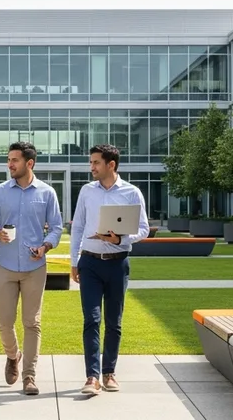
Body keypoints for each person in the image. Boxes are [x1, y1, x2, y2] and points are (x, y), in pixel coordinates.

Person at [0, 141, 64, 396]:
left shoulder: (47, 193)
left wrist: (46, 246)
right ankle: (13, 355)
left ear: (29, 163)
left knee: (32, 323)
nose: (10, 164)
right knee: (4, 322)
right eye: (8, 160)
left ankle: (29, 376)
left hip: (35, 267)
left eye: (14, 160)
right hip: (5, 265)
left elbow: (57, 227)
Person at [69, 144, 149, 396]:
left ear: (111, 165)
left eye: (95, 163)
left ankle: (109, 373)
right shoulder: (86, 191)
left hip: (118, 262)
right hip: (90, 263)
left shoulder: (132, 192)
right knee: (92, 319)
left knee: (114, 321)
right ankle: (92, 377)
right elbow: (78, 226)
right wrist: (74, 261)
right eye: (91, 163)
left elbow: (144, 229)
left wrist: (120, 240)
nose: (91, 167)